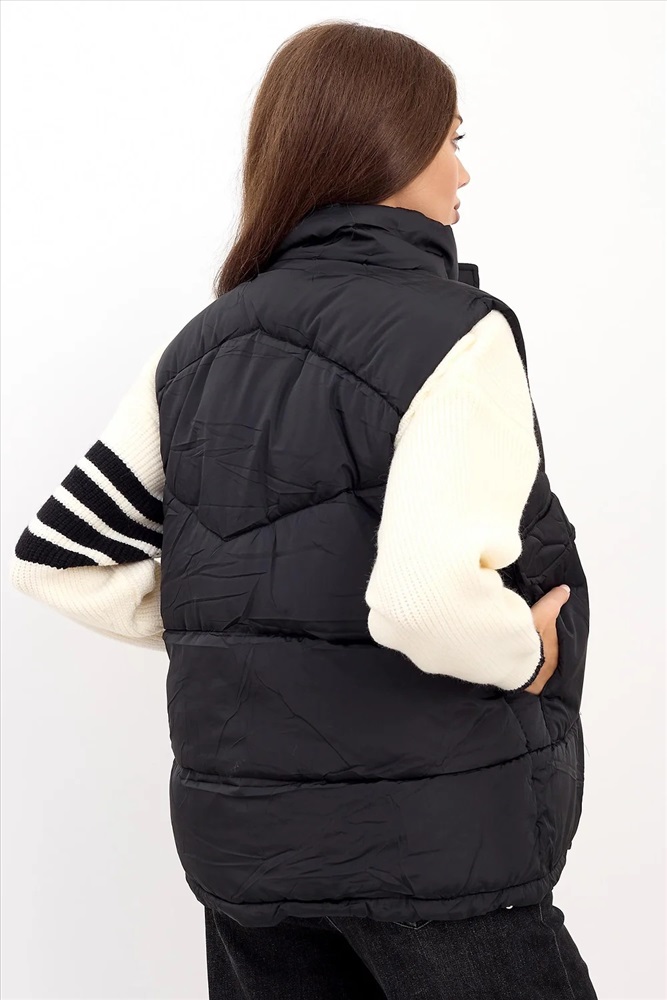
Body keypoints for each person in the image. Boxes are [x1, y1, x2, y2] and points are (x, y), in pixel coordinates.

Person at [9, 19, 598, 1000]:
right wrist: (524, 651)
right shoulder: (455, 334)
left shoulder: (198, 347)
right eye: (451, 139)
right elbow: (422, 604)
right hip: (434, 847)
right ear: (385, 145)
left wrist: (233, 626)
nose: (462, 173)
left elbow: (62, 558)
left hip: (249, 857)